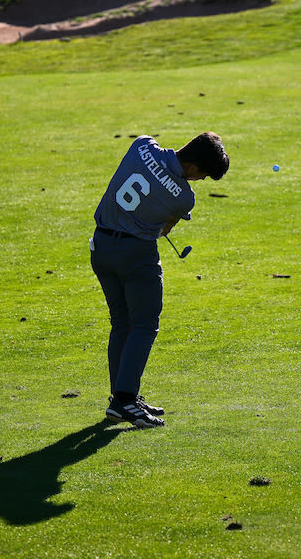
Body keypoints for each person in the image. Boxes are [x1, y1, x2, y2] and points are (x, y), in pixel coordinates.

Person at [90, 132, 229, 428]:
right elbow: (166, 227)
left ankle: (121, 398)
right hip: (136, 257)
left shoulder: (142, 144)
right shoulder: (184, 197)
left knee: (122, 324)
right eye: (201, 176)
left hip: (101, 247)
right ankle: (125, 399)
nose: (198, 181)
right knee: (143, 326)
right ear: (192, 168)